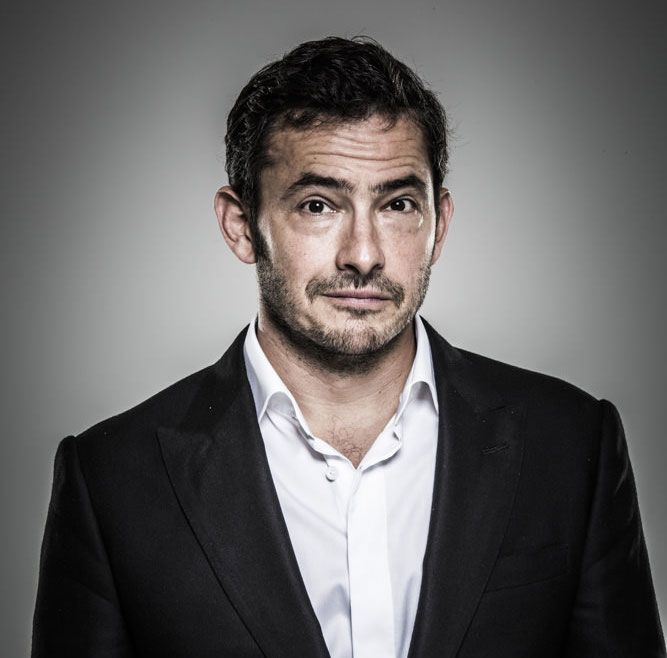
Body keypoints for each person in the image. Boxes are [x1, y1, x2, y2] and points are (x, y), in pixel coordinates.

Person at [32, 36, 664, 658]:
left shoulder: (571, 445)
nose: (363, 254)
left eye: (398, 204)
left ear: (439, 224)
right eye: (318, 205)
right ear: (241, 225)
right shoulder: (113, 480)